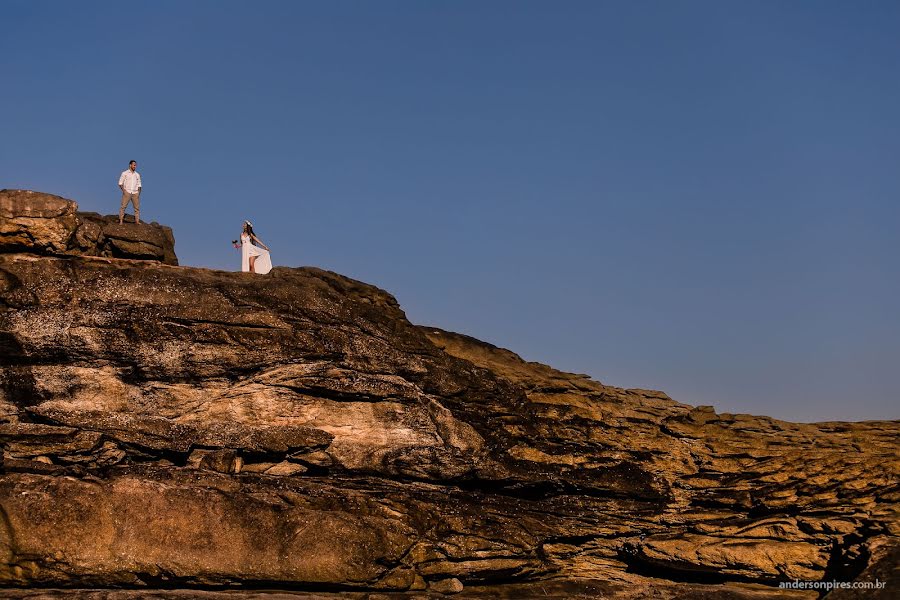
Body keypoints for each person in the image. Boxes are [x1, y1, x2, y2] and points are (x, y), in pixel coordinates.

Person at [118, 160, 142, 224]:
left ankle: (137, 221)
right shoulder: (124, 173)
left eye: (135, 165)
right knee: (123, 206)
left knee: (137, 208)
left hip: (135, 193)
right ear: (130, 165)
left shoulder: (137, 175)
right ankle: (121, 220)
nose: (135, 166)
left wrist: (138, 193)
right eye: (134, 165)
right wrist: (124, 191)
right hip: (127, 192)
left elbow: (139, 185)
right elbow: (120, 183)